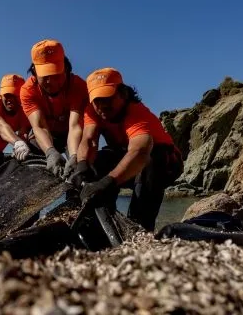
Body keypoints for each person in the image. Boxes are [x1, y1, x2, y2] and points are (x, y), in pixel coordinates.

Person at [72, 67, 184, 232]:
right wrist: (82, 166)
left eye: (107, 98)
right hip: (128, 156)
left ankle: (140, 225)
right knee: (98, 161)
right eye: (97, 100)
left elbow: (139, 152)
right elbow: (89, 140)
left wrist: (107, 182)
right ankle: (100, 221)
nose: (102, 105)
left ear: (123, 94)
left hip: (164, 163)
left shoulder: (136, 112)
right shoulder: (92, 110)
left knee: (153, 161)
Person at [20, 39, 89, 178]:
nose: (51, 82)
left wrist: (74, 156)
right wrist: (50, 151)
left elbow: (75, 126)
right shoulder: (28, 90)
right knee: (27, 160)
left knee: (81, 165)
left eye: (56, 75)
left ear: (66, 68)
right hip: (47, 133)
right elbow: (39, 126)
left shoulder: (78, 86)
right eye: (45, 76)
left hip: (71, 133)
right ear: (34, 72)